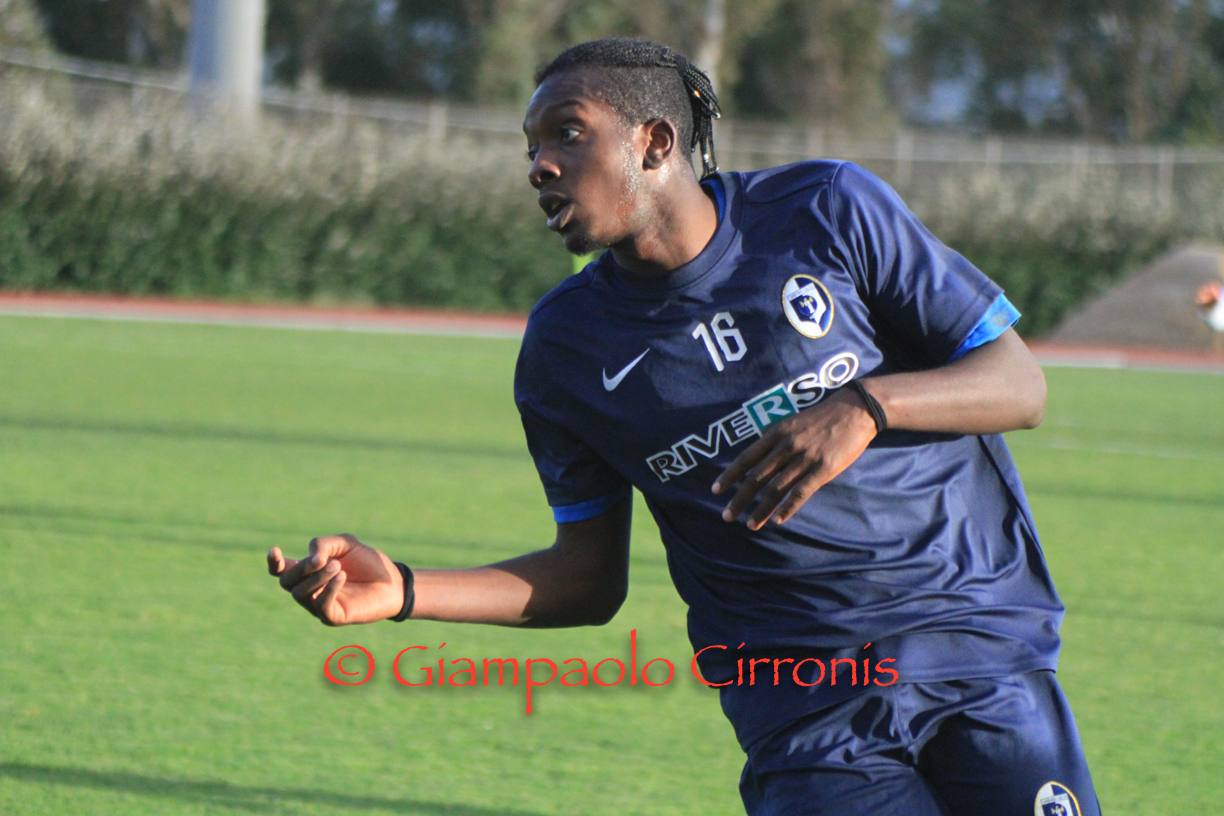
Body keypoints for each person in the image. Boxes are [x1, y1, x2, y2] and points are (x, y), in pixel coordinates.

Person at [268, 38, 1100, 816]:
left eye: (566, 134)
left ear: (655, 142)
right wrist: (406, 589)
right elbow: (587, 579)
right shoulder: (564, 348)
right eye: (530, 147)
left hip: (977, 646)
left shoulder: (826, 208)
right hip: (803, 705)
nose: (539, 165)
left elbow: (1018, 384)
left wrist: (864, 407)